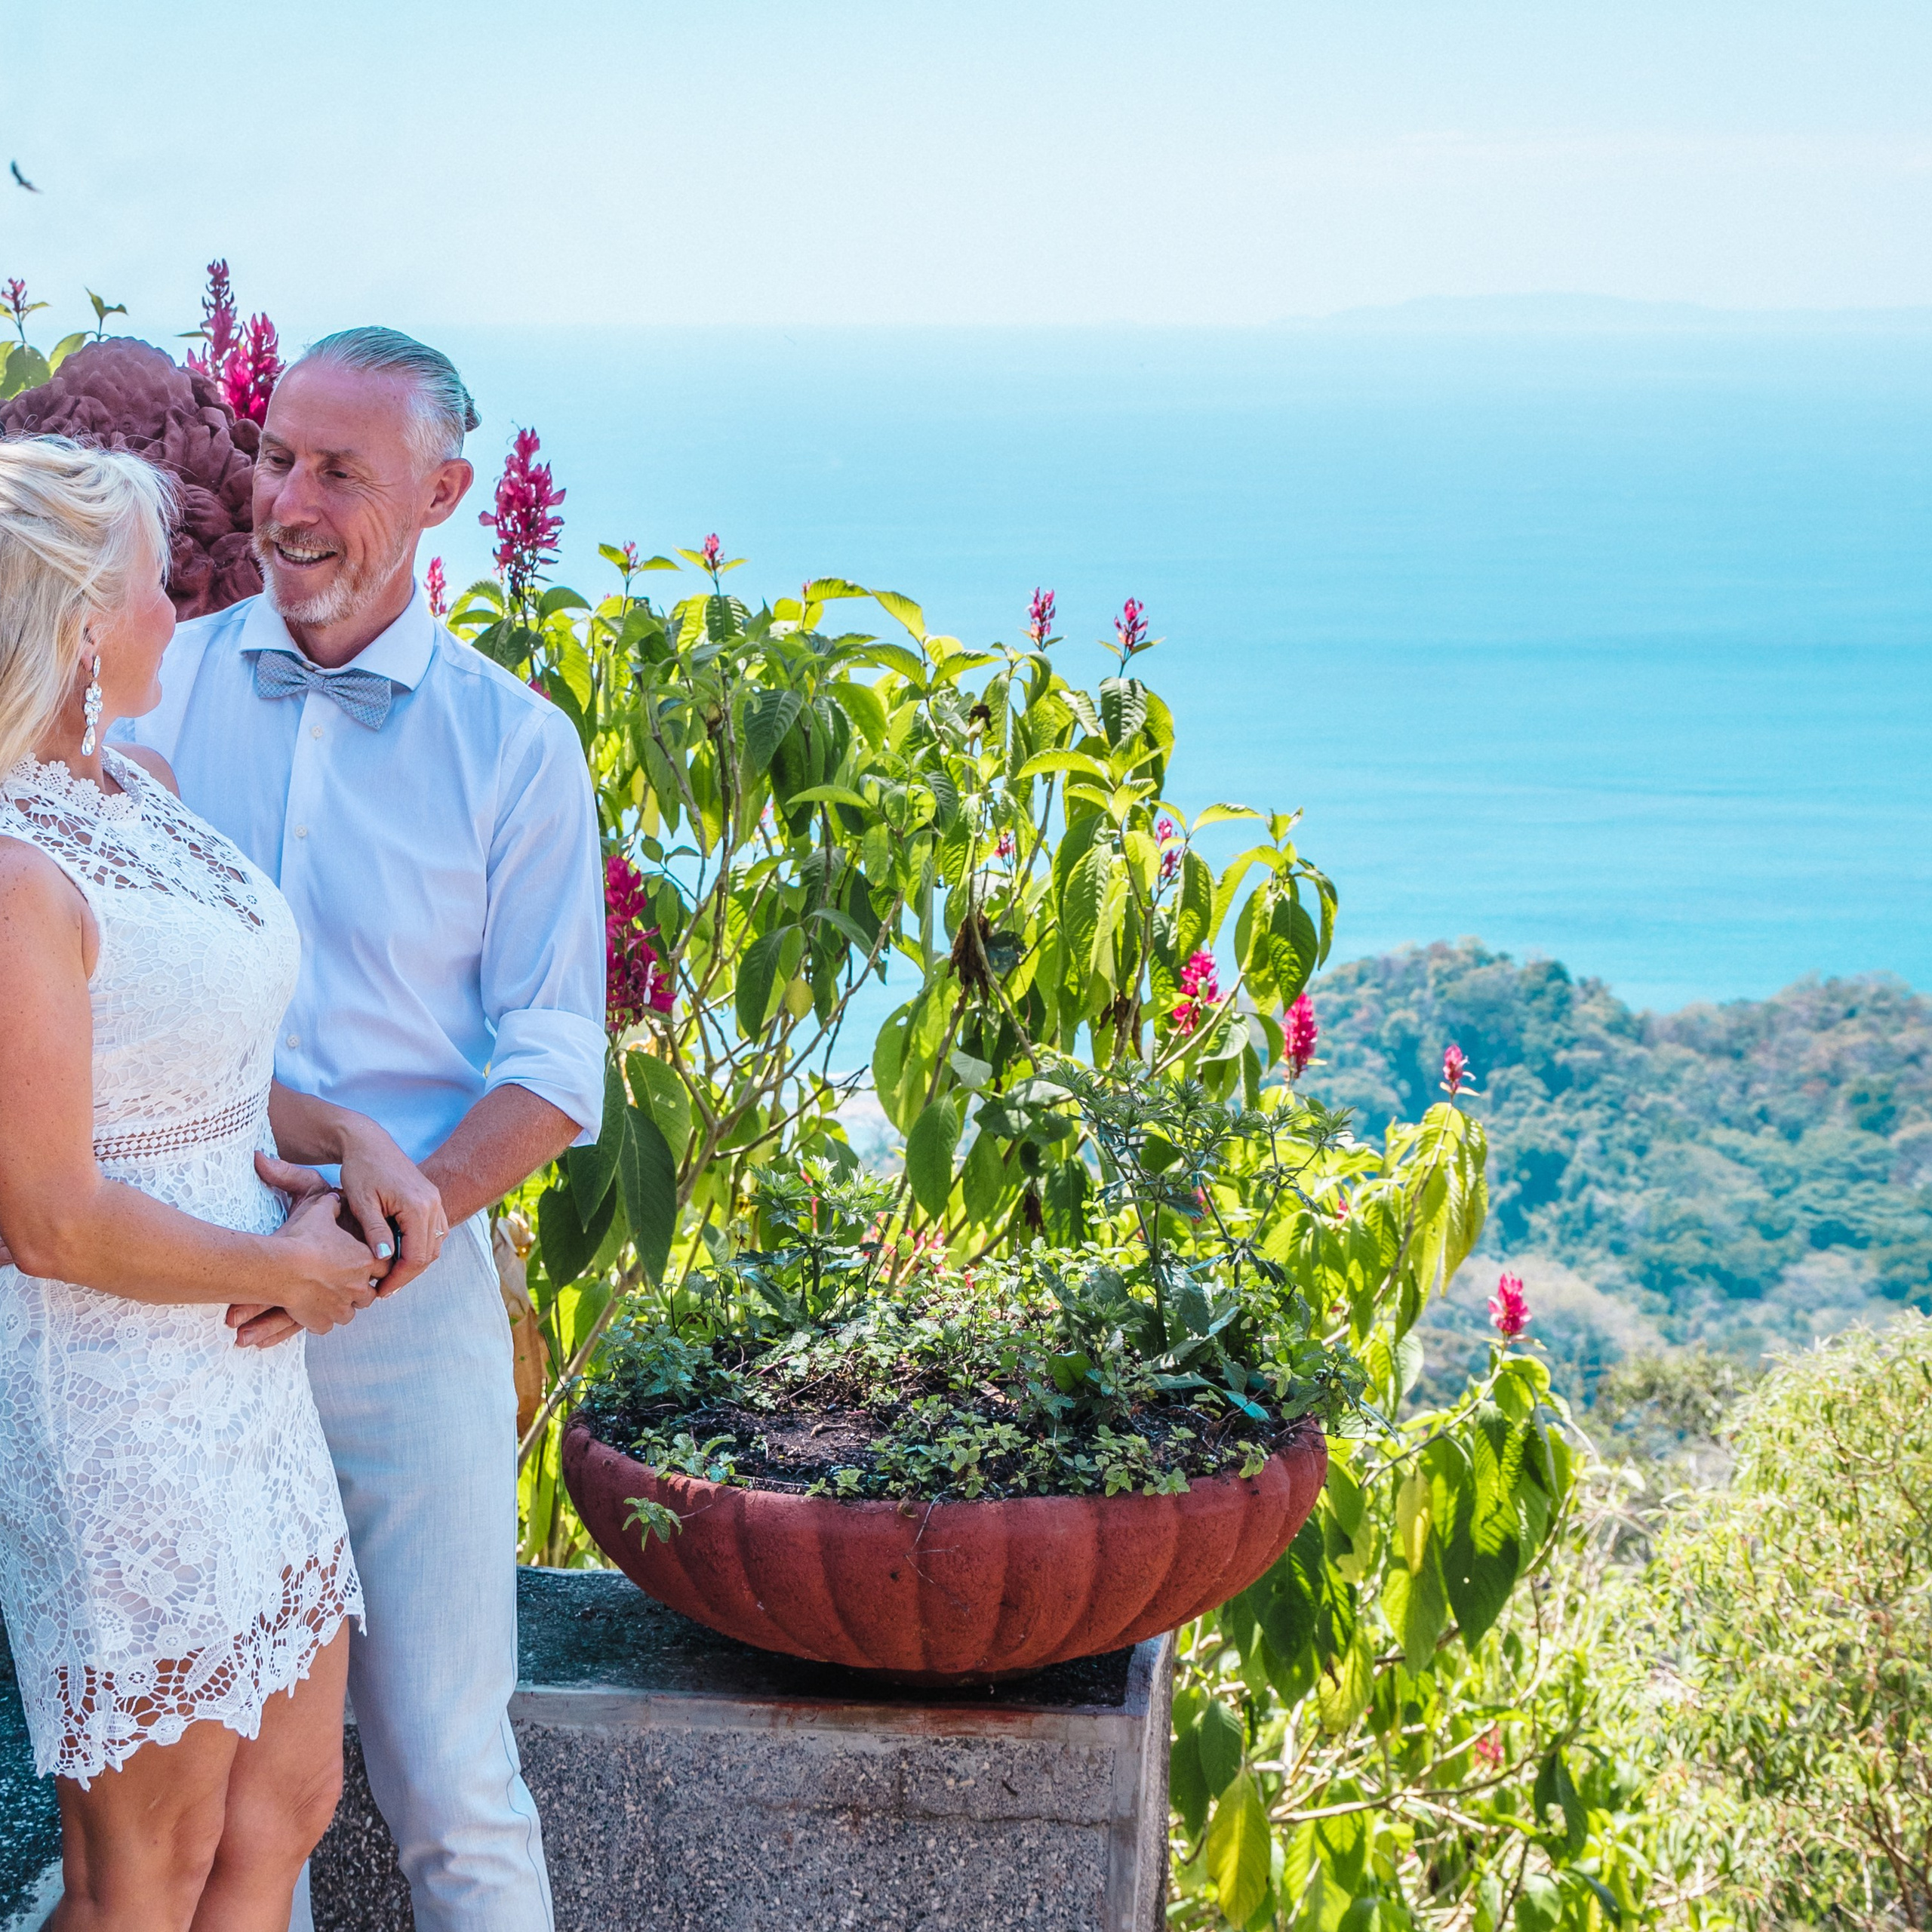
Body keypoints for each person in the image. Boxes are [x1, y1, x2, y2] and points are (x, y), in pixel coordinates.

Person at [119, 327, 605, 1931]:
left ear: (446, 495)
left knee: (450, 1774)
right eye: (275, 456)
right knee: (238, 1807)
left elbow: (549, 1065)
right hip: (169, 1300)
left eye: (340, 470)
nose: (289, 502)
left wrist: (394, 1221)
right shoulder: (154, 687)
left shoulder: (518, 748)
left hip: (410, 1309)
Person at [0, 434, 397, 1930]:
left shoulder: (137, 785)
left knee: (283, 1804)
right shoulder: (10, 880)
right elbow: (45, 1213)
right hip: (110, 1406)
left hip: (239, 1375)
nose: (183, 606)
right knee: (140, 1870)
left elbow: (215, 1050)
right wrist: (287, 1271)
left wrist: (346, 1137)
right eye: (153, 584)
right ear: (71, 621)